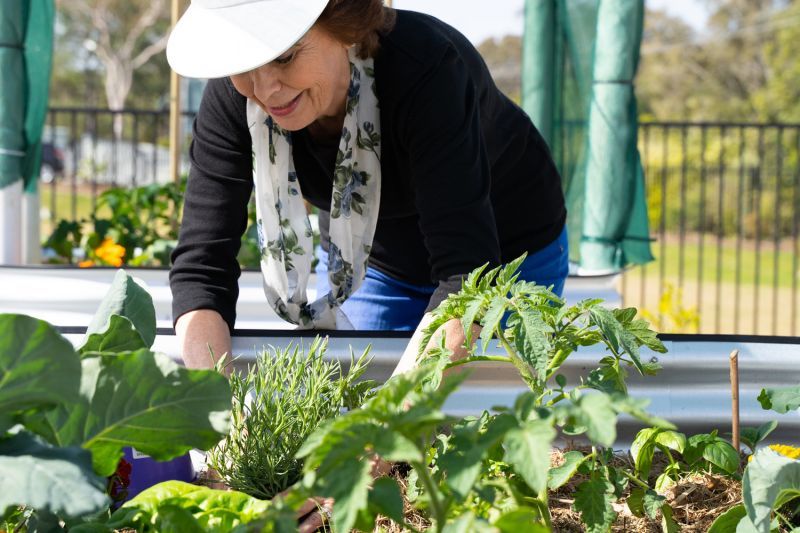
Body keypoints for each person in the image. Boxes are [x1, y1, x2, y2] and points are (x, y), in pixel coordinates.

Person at [166, 0, 568, 373]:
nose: (265, 87)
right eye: (246, 65)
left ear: (345, 27)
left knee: (481, 422)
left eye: (285, 56)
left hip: (509, 251)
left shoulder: (427, 67)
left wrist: (387, 427)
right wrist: (219, 419)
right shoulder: (235, 97)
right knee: (355, 393)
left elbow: (468, 278)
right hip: (375, 264)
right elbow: (203, 269)